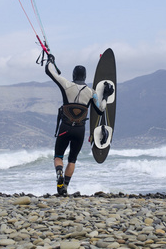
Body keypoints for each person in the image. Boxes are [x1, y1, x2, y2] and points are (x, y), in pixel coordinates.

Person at [45, 53, 114, 195]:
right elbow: (101, 110)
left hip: (65, 127)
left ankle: (59, 174)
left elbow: (49, 72)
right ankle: (64, 187)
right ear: (85, 77)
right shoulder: (91, 92)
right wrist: (106, 96)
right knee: (72, 159)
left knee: (58, 156)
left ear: (73, 75)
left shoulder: (66, 85)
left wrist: (50, 61)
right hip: (80, 131)